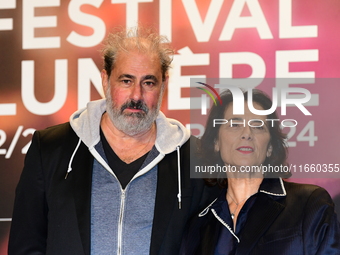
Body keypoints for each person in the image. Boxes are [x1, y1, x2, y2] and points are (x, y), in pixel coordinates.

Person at [8, 26, 218, 255]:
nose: (136, 96)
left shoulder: (193, 157)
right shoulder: (51, 148)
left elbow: (211, 244)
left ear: (163, 86)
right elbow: (26, 245)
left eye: (148, 83)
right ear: (106, 80)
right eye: (126, 81)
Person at [181, 89, 340, 255]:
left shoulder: (309, 203)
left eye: (258, 127)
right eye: (235, 125)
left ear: (270, 147)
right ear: (216, 143)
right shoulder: (198, 224)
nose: (247, 134)